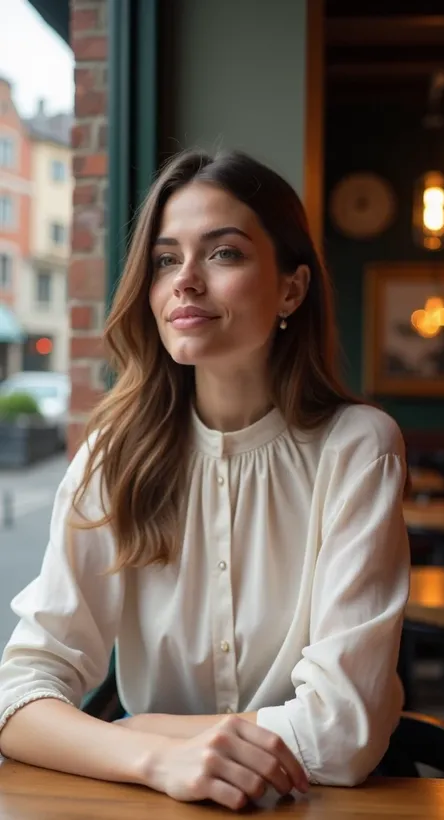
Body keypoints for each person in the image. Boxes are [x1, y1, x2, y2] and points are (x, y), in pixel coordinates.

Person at [0, 149, 409, 809]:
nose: (186, 280)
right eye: (165, 260)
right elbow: (17, 697)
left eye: (223, 254)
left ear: (291, 289)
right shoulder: (114, 455)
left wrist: (140, 726)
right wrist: (156, 755)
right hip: (150, 801)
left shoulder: (358, 449)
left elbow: (341, 737)